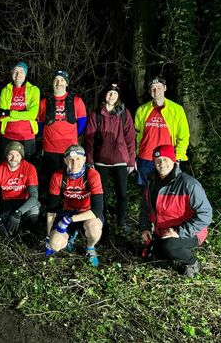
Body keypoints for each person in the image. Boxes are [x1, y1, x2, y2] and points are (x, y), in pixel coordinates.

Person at [139, 144, 212, 277]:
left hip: (190, 231)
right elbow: (145, 208)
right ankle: (170, 255)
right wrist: (145, 228)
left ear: (174, 161)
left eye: (166, 159)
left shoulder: (189, 184)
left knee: (169, 245)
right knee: (151, 259)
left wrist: (179, 231)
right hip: (162, 231)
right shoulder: (151, 183)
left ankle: (192, 263)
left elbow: (205, 215)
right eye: (158, 160)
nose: (162, 164)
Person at [84, 83, 135, 232]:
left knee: (122, 194)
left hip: (120, 159)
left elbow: (130, 138)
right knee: (102, 195)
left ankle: (121, 222)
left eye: (114, 93)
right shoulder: (96, 114)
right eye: (109, 93)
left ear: (118, 96)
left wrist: (131, 160)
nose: (111, 96)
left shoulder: (125, 114)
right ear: (104, 95)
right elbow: (89, 139)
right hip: (101, 160)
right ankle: (102, 223)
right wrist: (89, 160)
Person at [45, 145, 104, 267]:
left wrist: (68, 221)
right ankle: (71, 236)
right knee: (55, 245)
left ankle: (90, 248)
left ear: (84, 160)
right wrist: (48, 234)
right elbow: (52, 210)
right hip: (68, 211)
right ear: (65, 160)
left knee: (94, 228)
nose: (74, 162)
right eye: (70, 159)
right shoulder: (58, 176)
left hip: (87, 213)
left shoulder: (92, 175)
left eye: (78, 159)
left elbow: (97, 209)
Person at [134, 76, 190, 186]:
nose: (156, 91)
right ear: (150, 91)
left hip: (166, 159)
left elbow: (183, 136)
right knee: (147, 194)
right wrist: (135, 156)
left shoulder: (177, 110)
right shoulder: (142, 110)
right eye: (153, 88)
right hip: (145, 159)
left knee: (167, 192)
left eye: (159, 88)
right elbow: (136, 136)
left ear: (165, 88)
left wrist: (177, 158)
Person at [38, 69, 87, 192]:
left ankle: (67, 205)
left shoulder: (76, 101)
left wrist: (72, 136)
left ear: (66, 83)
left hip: (69, 150)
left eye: (62, 80)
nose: (58, 82)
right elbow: (39, 125)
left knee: (68, 181)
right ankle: (50, 208)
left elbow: (81, 124)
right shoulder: (44, 102)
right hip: (50, 149)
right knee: (50, 182)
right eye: (56, 80)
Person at [0, 141, 40, 237]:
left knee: (34, 213)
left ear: (21, 157)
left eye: (17, 155)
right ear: (6, 155)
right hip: (6, 200)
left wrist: (18, 213)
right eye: (11, 154)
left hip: (24, 201)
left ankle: (26, 230)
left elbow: (34, 196)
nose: (14, 158)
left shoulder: (29, 168)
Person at [0, 62, 40, 161]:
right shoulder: (5, 90)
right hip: (9, 134)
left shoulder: (34, 90)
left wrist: (10, 113)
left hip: (27, 136)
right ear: (12, 74)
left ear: (25, 74)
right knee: (9, 163)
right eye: (15, 71)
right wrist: (23, 114)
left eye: (21, 72)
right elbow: (1, 115)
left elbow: (32, 115)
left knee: (28, 165)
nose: (18, 75)